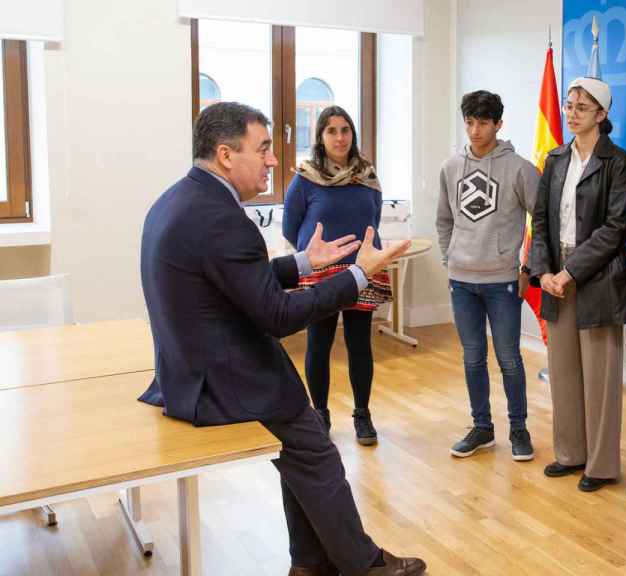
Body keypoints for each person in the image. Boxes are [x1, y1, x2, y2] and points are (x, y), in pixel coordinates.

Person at [138, 102, 424, 576]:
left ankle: (310, 564)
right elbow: (277, 315)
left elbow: (231, 279)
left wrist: (306, 263)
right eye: (264, 148)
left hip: (186, 370)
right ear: (227, 155)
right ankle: (363, 565)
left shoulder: (179, 199)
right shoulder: (223, 218)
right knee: (315, 448)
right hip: (222, 379)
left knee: (302, 450)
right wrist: (357, 275)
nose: (274, 160)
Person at [529, 77, 626, 492]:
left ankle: (602, 465)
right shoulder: (555, 158)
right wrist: (545, 273)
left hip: (597, 277)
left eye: (581, 107)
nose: (571, 113)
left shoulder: (617, 162)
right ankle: (570, 454)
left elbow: (615, 229)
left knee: (600, 376)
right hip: (555, 274)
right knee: (563, 370)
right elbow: (539, 221)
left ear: (602, 115)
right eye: (568, 105)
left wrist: (571, 273)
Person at [436, 90, 539, 460]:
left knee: (509, 357)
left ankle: (519, 428)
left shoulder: (520, 169)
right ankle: (482, 427)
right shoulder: (451, 167)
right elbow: (444, 219)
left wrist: (529, 267)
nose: (475, 130)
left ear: (498, 123)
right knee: (472, 357)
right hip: (461, 281)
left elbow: (540, 220)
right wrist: (450, 257)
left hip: (502, 281)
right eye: (469, 122)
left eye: (483, 122)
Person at [284, 105, 382, 445]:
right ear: (320, 137)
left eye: (345, 130)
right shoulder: (305, 177)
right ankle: (320, 414)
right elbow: (290, 226)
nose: (340, 137)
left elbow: (375, 218)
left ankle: (362, 415)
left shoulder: (367, 175)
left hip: (362, 269)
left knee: (360, 346)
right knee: (319, 343)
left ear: (352, 134)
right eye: (331, 131)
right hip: (320, 274)